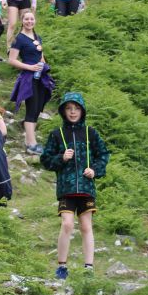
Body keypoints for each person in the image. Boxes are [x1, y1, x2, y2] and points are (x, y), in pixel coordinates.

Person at [40, 91, 110, 279]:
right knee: (68, 225)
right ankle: (62, 267)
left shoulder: (90, 133)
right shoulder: (56, 134)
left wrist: (95, 170)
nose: (72, 112)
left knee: (86, 226)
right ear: (63, 111)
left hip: (86, 188)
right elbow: (46, 160)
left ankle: (89, 267)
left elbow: (103, 155)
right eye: (69, 109)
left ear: (82, 111)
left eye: (76, 108)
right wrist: (61, 158)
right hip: (66, 188)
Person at [8, 11, 55, 155]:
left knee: (37, 108)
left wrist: (43, 65)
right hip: (28, 78)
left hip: (40, 77)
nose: (29, 21)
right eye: (26, 19)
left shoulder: (37, 37)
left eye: (32, 19)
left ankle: (29, 141)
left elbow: (40, 55)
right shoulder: (18, 39)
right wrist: (30, 67)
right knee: (31, 108)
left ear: (35, 20)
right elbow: (12, 60)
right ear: (22, 21)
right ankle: (32, 145)